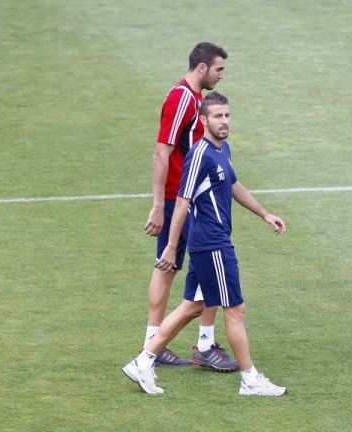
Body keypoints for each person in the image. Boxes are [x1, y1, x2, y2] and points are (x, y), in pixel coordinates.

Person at [123, 91, 288, 396]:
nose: (224, 121)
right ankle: (249, 379)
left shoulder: (222, 150)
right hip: (211, 244)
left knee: (194, 306)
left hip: (215, 241)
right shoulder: (199, 154)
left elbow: (234, 184)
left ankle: (143, 361)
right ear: (203, 119)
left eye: (227, 115)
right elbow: (182, 201)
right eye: (217, 116)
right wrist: (171, 247)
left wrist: (264, 213)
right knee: (235, 309)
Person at [141, 42, 237, 371]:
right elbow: (161, 152)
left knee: (201, 268)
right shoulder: (182, 98)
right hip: (176, 198)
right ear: (202, 68)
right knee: (166, 266)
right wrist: (158, 205)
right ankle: (152, 344)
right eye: (218, 69)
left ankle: (203, 344)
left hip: (195, 200)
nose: (222, 75)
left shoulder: (198, 100)